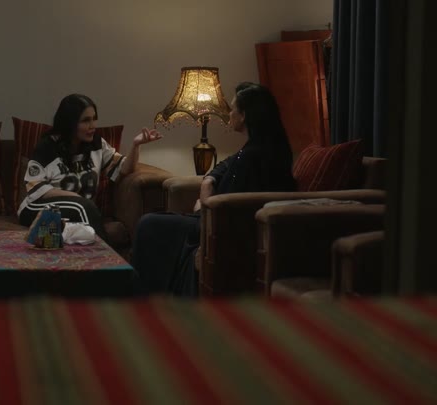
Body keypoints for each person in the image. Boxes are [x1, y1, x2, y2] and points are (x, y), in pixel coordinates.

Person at [131, 82, 296, 296]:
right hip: (212, 220)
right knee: (155, 223)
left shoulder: (252, 157)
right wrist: (209, 180)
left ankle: (143, 297)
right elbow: (224, 165)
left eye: (233, 108)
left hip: (222, 228)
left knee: (149, 224)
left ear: (244, 116)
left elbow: (232, 207)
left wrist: (203, 209)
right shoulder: (261, 147)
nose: (229, 113)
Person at [17, 94, 162, 243]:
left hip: (79, 211)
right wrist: (77, 199)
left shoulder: (96, 143)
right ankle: (104, 254)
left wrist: (136, 145)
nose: (92, 125)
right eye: (86, 120)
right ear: (70, 123)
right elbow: (37, 188)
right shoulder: (47, 147)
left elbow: (122, 170)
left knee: (81, 222)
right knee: (81, 207)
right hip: (36, 208)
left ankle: (64, 236)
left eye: (94, 119)